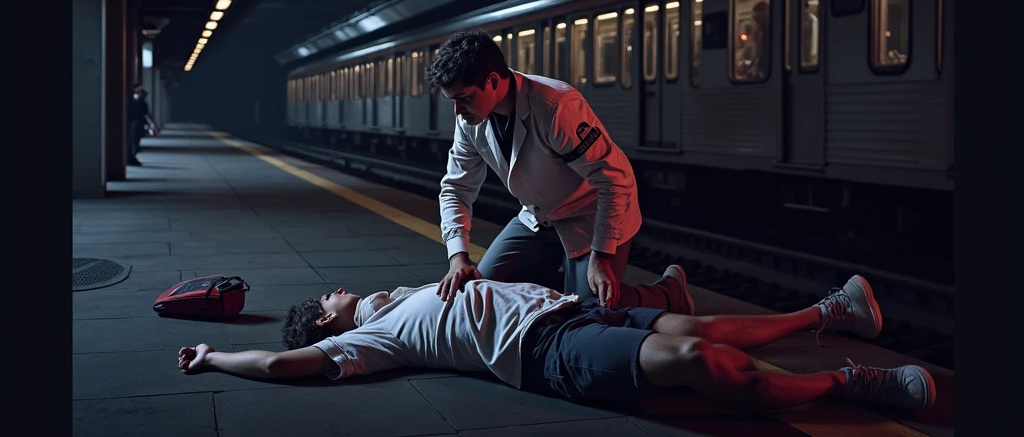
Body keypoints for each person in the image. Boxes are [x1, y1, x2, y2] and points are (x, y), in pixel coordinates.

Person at [176, 271, 935, 412]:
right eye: (331, 296)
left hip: (568, 311)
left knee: (699, 328)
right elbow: (277, 362)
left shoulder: (396, 296)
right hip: (546, 356)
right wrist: (214, 357)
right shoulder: (367, 341)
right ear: (328, 322)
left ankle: (827, 314)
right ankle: (849, 382)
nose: (340, 288)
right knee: (700, 363)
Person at [428, 29, 684, 313]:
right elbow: (456, 188)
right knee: (481, 292)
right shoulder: (469, 119)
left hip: (590, 215)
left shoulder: (556, 106)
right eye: (452, 100)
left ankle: (668, 293)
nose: (457, 110)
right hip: (538, 217)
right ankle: (564, 288)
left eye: (463, 98)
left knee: (590, 311)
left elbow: (614, 179)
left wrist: (601, 257)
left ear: (492, 80)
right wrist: (458, 258)